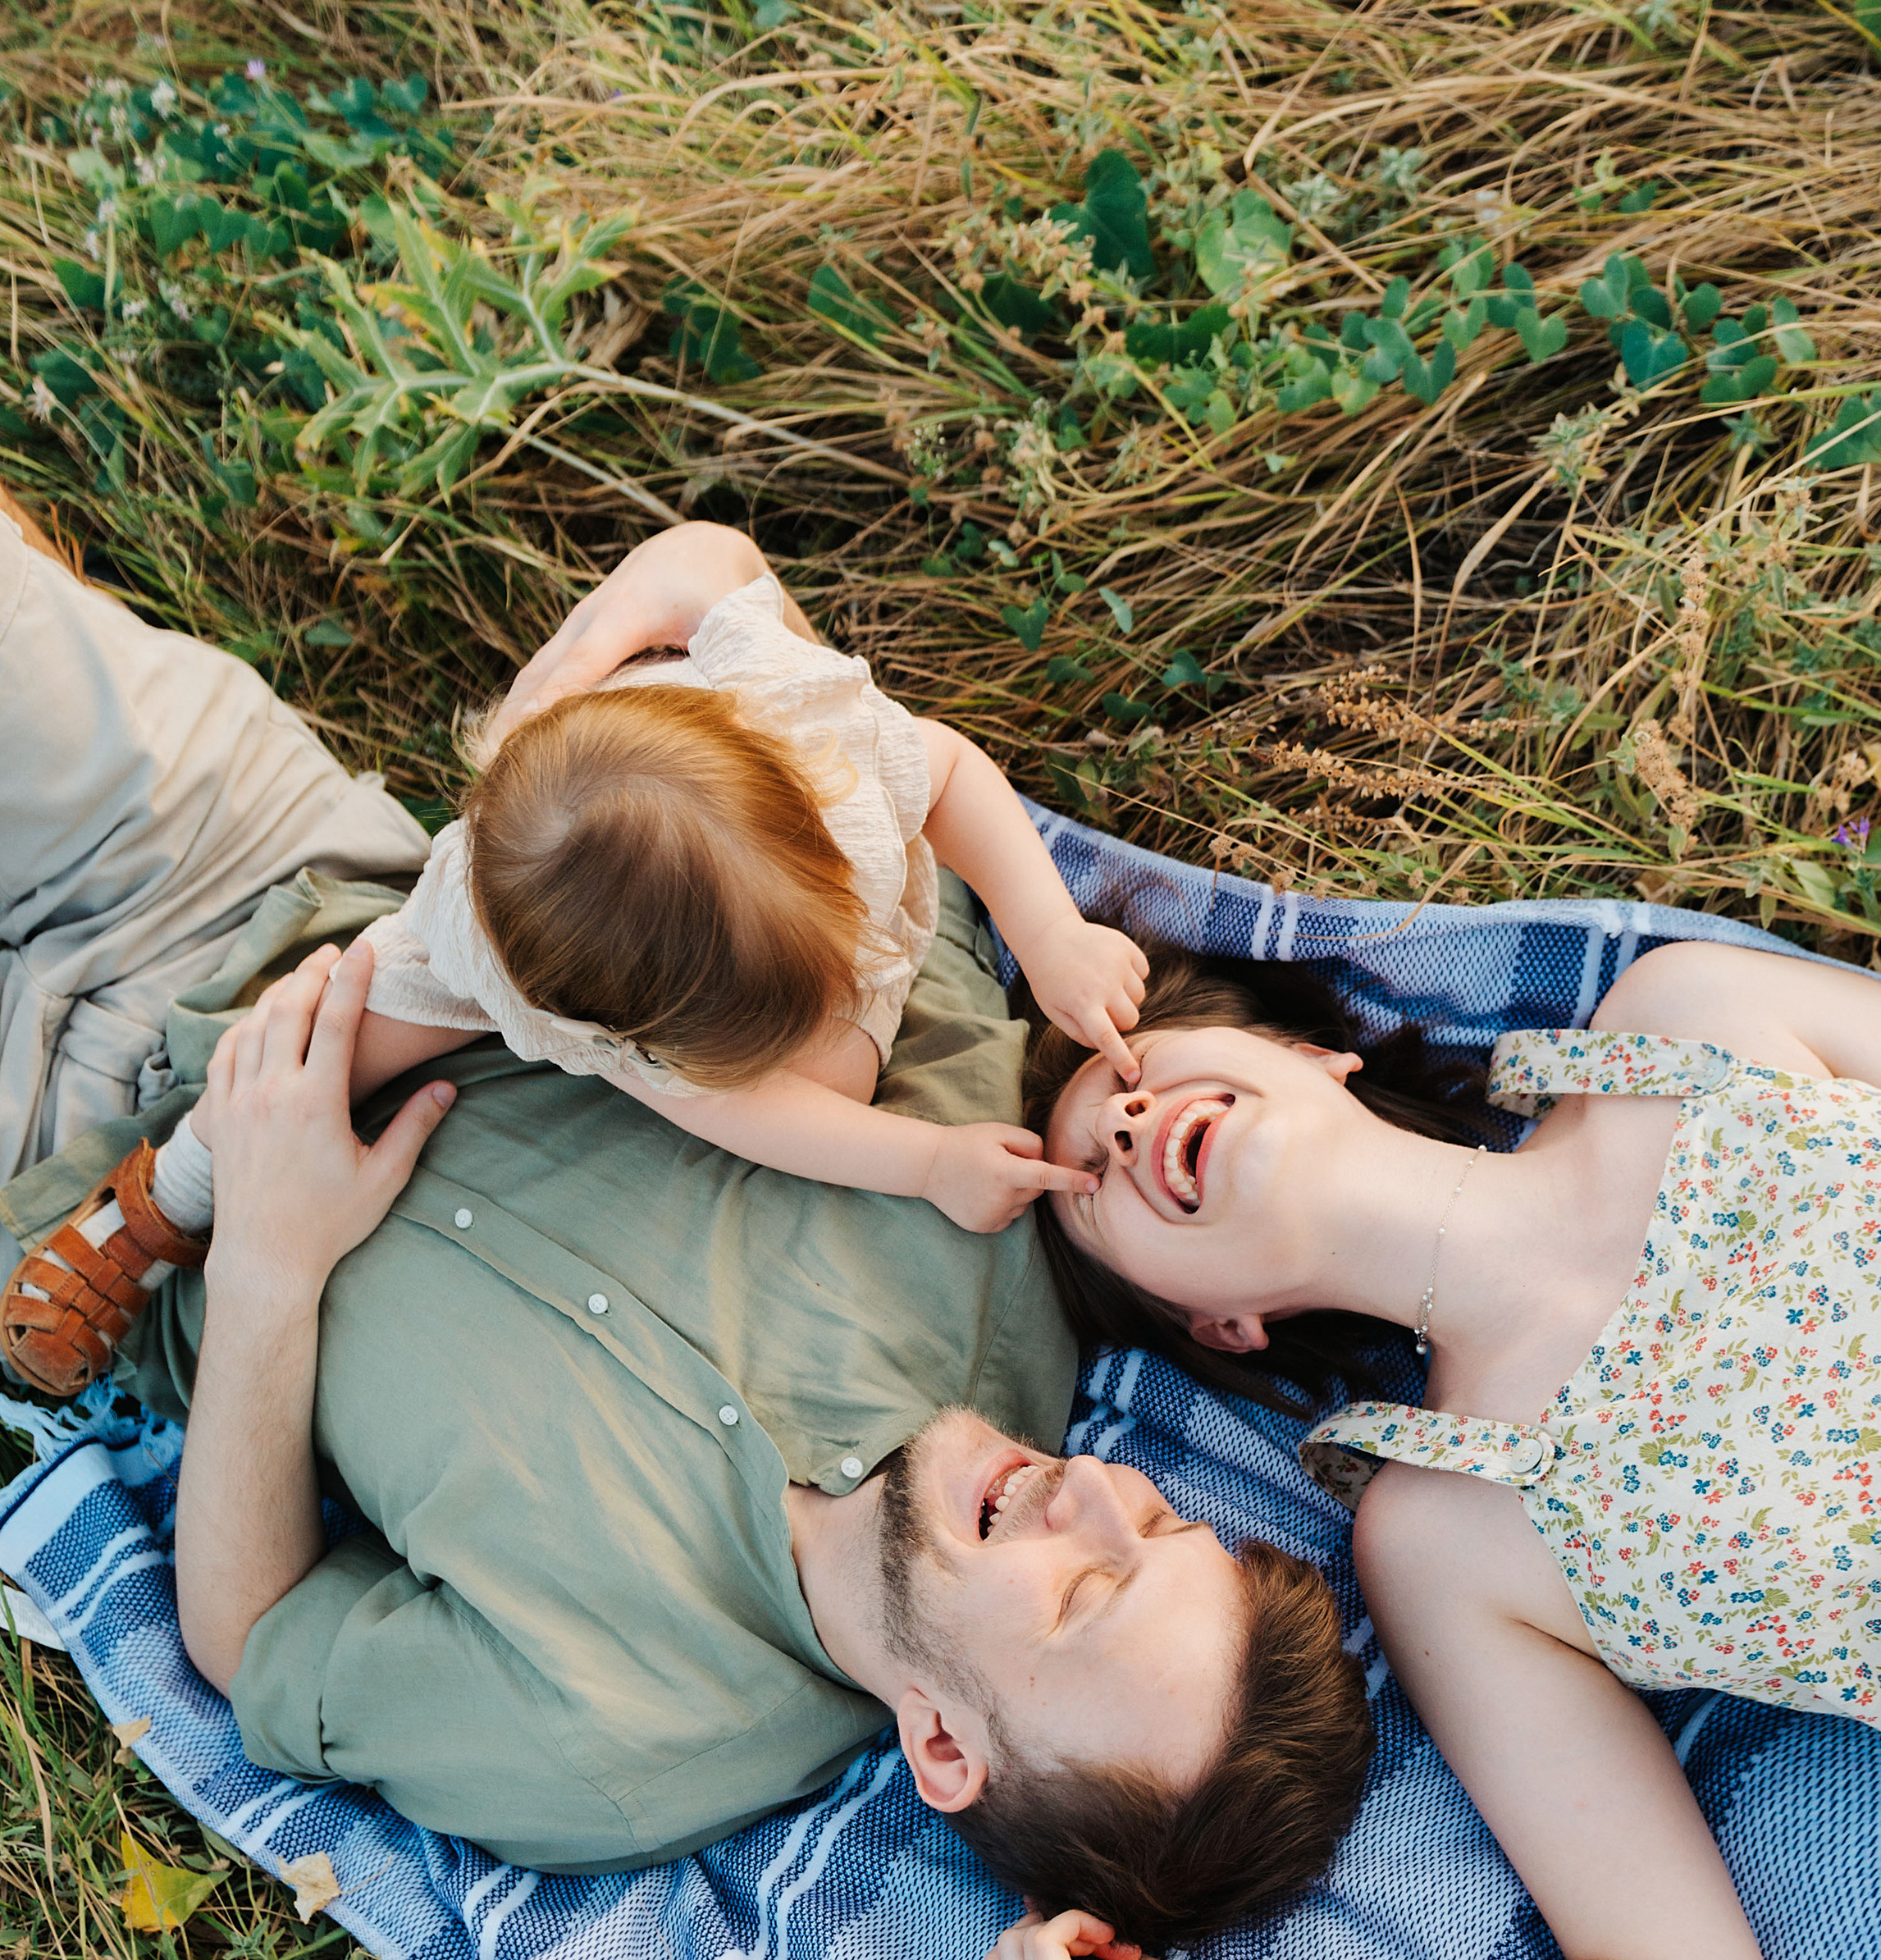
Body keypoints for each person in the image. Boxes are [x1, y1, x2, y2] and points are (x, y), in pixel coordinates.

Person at [0, 495, 1370, 1940]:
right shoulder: (985, 1228)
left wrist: (275, 1264)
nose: (1085, 1490)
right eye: (1151, 1520)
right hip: (276, 883)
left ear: (947, 1749)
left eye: (1085, 1592)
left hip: (50, 1176)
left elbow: (255, 1637)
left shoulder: (620, 1751)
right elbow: (833, 809)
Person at [984, 931, 1881, 1960]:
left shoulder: (1683, 1023)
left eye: (1131, 1067)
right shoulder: (1450, 1534)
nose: (1127, 1121)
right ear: (1220, 1327)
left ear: (1316, 1058)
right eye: (1091, 1181)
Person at [2, 526, 1144, 1398]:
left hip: (631, 796)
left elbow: (942, 770)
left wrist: (1049, 934)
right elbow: (750, 1114)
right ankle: (165, 1195)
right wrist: (927, 1161)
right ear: (621, 1035)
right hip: (501, 920)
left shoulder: (815, 738)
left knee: (834, 1044)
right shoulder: (533, 975)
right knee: (326, 1032)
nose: (849, 983)